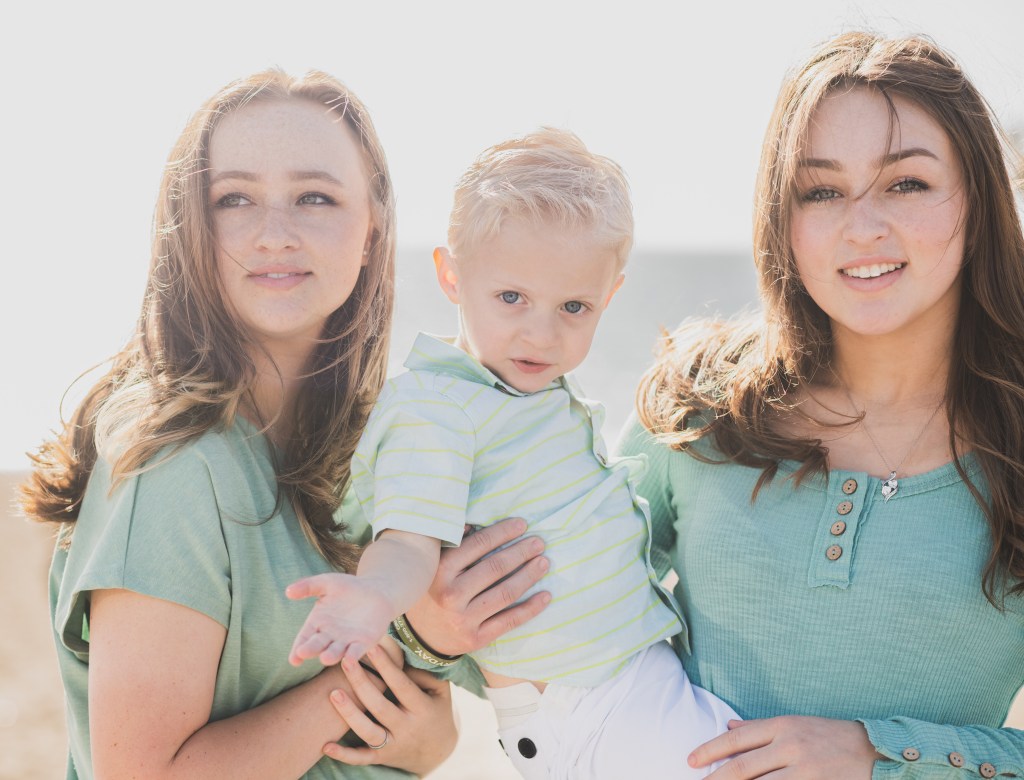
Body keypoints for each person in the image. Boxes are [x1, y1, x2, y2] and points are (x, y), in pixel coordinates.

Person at [398, 31, 1024, 778]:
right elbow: (564, 640)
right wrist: (433, 632)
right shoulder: (702, 402)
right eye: (821, 190)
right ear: (780, 220)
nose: (862, 225)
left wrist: (878, 753)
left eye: (907, 184)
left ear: (979, 201)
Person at [19, 69, 466, 780]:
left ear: (371, 227)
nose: (275, 234)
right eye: (234, 199)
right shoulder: (175, 460)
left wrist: (431, 722)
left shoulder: (383, 441)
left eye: (315, 197)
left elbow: (425, 711)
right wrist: (364, 691)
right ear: (187, 227)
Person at [285, 128, 739, 778]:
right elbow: (408, 538)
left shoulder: (524, 390)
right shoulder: (436, 407)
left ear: (609, 298)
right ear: (451, 275)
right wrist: (375, 597)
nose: (541, 332)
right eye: (511, 299)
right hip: (580, 704)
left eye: (573, 307)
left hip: (634, 680)